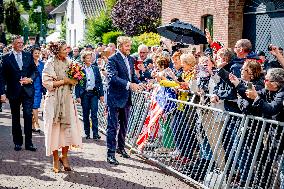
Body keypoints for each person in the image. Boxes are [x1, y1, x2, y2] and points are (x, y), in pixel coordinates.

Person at [42, 40, 82, 173]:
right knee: (54, 131)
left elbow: (76, 78)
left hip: (67, 100)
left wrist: (75, 79)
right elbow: (47, 83)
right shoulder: (50, 63)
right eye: (64, 49)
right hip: (53, 101)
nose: (67, 51)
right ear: (57, 51)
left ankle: (64, 157)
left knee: (67, 130)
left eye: (67, 49)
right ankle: (55, 158)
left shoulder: (70, 62)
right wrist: (64, 81)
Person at [106, 36, 143, 165]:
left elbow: (132, 76)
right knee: (112, 126)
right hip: (114, 97)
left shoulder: (131, 59)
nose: (129, 48)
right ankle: (110, 154)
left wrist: (140, 83)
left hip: (126, 97)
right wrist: (129, 84)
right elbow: (112, 78)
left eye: (129, 45)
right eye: (127, 46)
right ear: (120, 46)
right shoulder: (112, 59)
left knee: (124, 125)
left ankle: (121, 148)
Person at [0, 35, 38, 151]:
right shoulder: (6, 58)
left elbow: (34, 71)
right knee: (15, 117)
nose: (21, 44)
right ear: (13, 44)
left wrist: (30, 79)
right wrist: (2, 92)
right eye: (18, 43)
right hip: (13, 91)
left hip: (27, 91)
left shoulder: (28, 55)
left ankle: (29, 143)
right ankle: (17, 142)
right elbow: (2, 77)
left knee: (27, 115)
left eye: (22, 42)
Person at [75, 51, 104, 140]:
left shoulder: (95, 68)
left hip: (94, 93)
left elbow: (99, 82)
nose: (89, 60)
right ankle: (87, 133)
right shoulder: (80, 69)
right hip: (85, 94)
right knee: (86, 114)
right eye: (87, 58)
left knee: (94, 114)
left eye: (90, 58)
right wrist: (78, 96)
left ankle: (95, 133)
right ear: (83, 59)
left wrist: (101, 95)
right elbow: (77, 84)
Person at [31, 47, 45, 133]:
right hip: (29, 88)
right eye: (35, 53)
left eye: (38, 53)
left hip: (39, 88)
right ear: (32, 54)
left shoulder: (42, 64)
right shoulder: (29, 63)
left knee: (35, 106)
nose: (37, 54)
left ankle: (34, 124)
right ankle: (36, 124)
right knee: (33, 107)